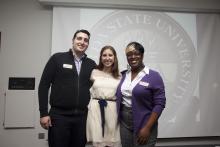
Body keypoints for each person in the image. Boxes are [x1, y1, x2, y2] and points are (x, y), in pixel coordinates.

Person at [38, 29, 96, 147]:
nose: (82, 42)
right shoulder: (57, 58)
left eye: (86, 40)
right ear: (73, 41)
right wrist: (43, 113)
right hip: (59, 116)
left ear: (88, 44)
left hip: (82, 118)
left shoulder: (91, 64)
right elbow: (44, 85)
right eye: (79, 38)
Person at [116, 42, 166, 147]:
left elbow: (160, 104)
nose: (132, 57)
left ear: (142, 55)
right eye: (129, 54)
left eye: (136, 53)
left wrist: (147, 128)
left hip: (145, 121)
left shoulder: (153, 76)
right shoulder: (123, 75)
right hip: (124, 123)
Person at [86, 45, 121, 147]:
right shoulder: (94, 72)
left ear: (114, 57)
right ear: (101, 58)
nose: (107, 58)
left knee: (111, 142)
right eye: (104, 55)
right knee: (98, 142)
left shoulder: (119, 75)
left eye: (110, 55)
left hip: (112, 110)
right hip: (96, 109)